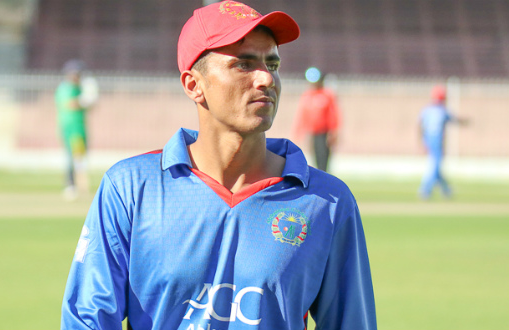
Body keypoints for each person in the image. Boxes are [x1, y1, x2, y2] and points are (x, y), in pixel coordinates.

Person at [61, 2, 377, 329]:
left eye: (272, 63)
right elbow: (87, 320)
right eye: (244, 64)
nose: (266, 78)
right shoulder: (131, 188)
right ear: (194, 85)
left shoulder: (328, 202)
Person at [418, 84, 467, 200]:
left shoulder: (427, 110)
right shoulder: (441, 111)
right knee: (436, 165)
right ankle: (425, 189)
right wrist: (465, 122)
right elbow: (454, 119)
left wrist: (422, 141)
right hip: (436, 139)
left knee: (436, 165)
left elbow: (420, 126)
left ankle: (446, 189)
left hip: (428, 138)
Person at [292, 67, 341, 172]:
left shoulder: (327, 95)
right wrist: (299, 132)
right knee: (315, 158)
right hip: (312, 133)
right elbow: (302, 116)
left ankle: (325, 179)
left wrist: (333, 132)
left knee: (323, 159)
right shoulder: (307, 96)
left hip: (324, 134)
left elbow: (333, 115)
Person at [55, 59, 91, 200]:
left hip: (80, 127)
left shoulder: (79, 88)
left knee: (80, 157)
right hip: (71, 128)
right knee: (73, 157)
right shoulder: (66, 88)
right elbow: (69, 104)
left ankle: (79, 185)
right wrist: (84, 101)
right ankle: (71, 185)